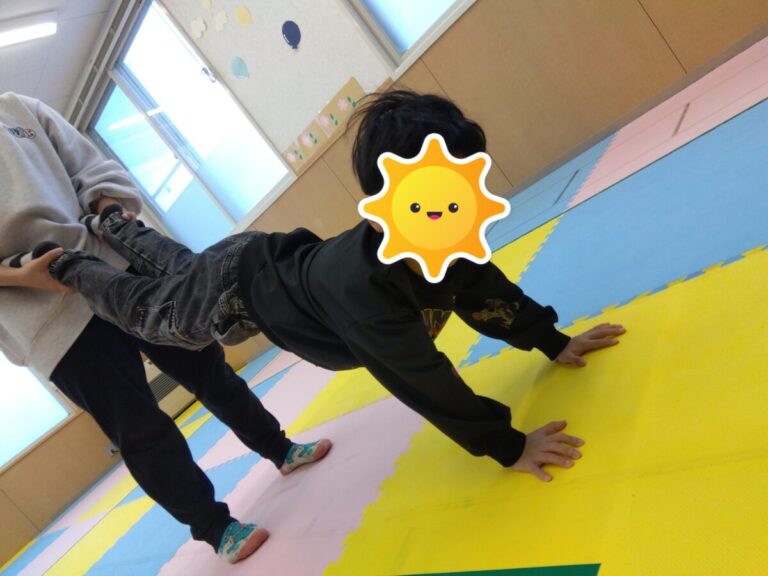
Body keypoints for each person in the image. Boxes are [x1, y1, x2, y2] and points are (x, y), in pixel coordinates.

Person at [10, 90, 625, 482]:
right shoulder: (371, 301)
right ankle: (70, 263)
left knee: (180, 270)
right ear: (388, 208)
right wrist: (509, 446)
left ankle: (115, 224)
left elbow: (487, 290)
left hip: (261, 262)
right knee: (154, 313)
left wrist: (553, 341)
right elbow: (425, 380)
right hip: (238, 290)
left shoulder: (441, 249)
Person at [0, 92, 332, 565]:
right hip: (41, 313)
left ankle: (279, 448)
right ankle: (215, 527)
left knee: (206, 366)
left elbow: (89, 166)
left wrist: (110, 212)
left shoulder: (17, 108)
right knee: (137, 427)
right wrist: (22, 277)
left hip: (116, 264)